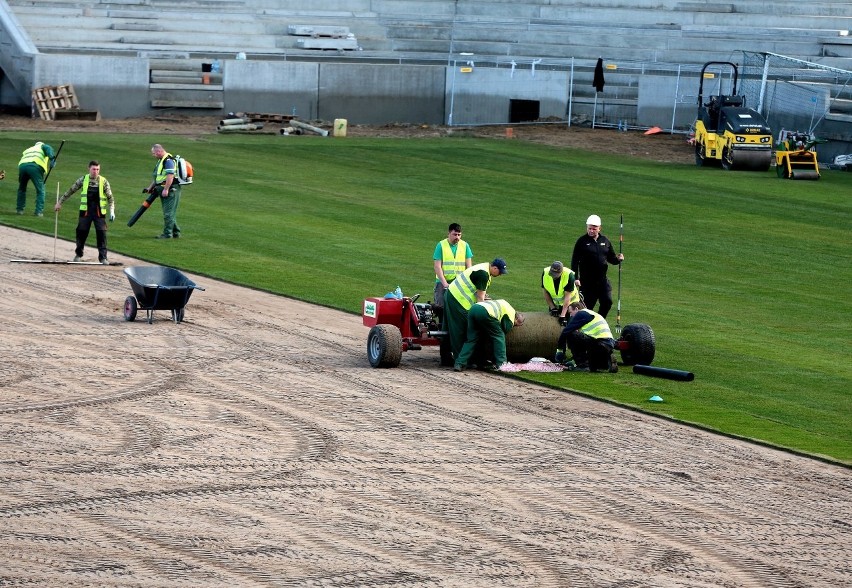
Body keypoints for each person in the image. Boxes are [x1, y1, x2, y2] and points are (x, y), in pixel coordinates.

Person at [444, 258, 507, 360]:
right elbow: (480, 299)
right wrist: (481, 314)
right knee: (460, 329)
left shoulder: (485, 268)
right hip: (458, 299)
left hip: (453, 295)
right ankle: (459, 358)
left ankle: (447, 357)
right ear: (494, 268)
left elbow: (479, 292)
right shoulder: (483, 274)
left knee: (451, 327)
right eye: (500, 272)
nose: (500, 275)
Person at [54, 161, 115, 264]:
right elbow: (70, 191)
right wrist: (59, 202)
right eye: (94, 169)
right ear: (89, 169)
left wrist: (112, 211)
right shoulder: (83, 179)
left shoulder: (104, 181)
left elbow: (110, 198)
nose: (96, 171)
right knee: (81, 232)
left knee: (101, 233)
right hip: (85, 211)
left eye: (97, 169)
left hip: (99, 212)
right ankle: (78, 254)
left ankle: (103, 257)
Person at [570, 214, 623, 318]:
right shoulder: (582, 242)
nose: (591, 231)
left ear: (599, 228)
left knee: (607, 302)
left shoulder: (605, 241)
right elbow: (574, 261)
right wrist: (575, 278)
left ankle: (599, 320)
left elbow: (611, 258)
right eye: (589, 228)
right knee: (587, 308)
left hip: (602, 281)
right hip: (587, 282)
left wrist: (618, 259)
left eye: (594, 229)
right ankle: (587, 326)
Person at [454, 299, 524, 372]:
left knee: (471, 340)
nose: (514, 326)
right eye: (516, 325)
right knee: (499, 337)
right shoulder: (511, 316)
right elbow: (505, 329)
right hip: (485, 312)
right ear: (516, 320)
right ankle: (502, 364)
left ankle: (459, 363)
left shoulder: (508, 306)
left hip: (474, 308)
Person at [554, 301, 618, 373]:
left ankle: (582, 365)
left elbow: (566, 331)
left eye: (570, 312)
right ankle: (606, 361)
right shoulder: (591, 313)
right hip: (608, 343)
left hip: (598, 343)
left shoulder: (581, 313)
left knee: (571, 334)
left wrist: (560, 350)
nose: (571, 316)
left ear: (576, 309)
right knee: (595, 367)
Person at [433, 222, 473, 321]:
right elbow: (437, 266)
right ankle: (441, 327)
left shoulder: (465, 245)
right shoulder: (441, 245)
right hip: (443, 281)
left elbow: (469, 266)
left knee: (460, 306)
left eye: (459, 235)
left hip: (459, 282)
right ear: (449, 233)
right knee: (441, 307)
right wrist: (444, 283)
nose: (457, 237)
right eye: (455, 234)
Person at [145, 143, 181, 239]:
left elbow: (170, 176)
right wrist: (150, 187)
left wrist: (166, 189)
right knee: (169, 212)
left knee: (168, 213)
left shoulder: (168, 161)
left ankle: (167, 234)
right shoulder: (161, 161)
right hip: (164, 189)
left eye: (154, 153)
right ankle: (176, 232)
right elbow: (158, 177)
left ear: (159, 151)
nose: (153, 155)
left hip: (171, 190)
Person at [17, 141, 56, 216]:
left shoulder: (29, 149)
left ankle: (20, 210)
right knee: (40, 190)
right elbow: (48, 148)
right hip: (34, 166)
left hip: (22, 166)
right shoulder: (42, 146)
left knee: (21, 189)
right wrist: (52, 158)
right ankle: (38, 211)